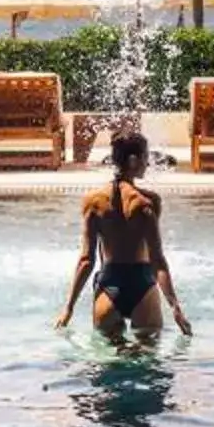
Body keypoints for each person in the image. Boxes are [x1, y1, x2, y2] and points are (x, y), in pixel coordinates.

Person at [55, 128, 191, 340]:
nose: (148, 162)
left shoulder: (93, 202)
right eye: (146, 157)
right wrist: (175, 307)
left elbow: (86, 261)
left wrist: (68, 308)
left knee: (110, 365)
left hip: (109, 285)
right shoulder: (148, 204)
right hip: (142, 285)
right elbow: (157, 260)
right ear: (134, 160)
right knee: (146, 364)